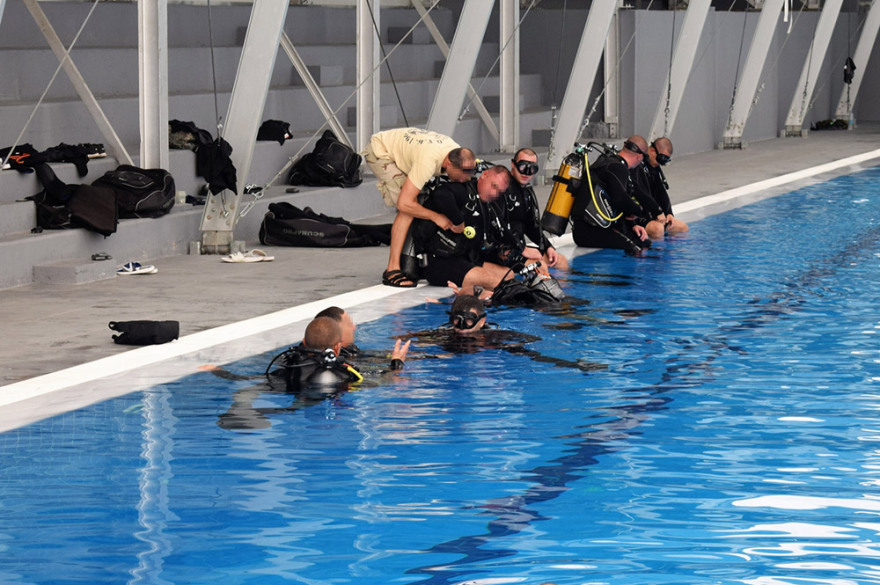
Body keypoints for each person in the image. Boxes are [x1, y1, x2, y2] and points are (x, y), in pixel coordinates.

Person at [362, 127, 476, 288]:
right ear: (449, 164)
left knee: (419, 201)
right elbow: (404, 204)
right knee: (409, 208)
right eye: (463, 174)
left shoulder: (455, 151)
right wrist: (436, 217)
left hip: (408, 149)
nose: (466, 179)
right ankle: (392, 269)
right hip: (382, 152)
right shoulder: (427, 162)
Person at [413, 164, 519, 295]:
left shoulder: (488, 205)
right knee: (494, 281)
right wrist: (458, 221)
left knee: (508, 274)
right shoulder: (463, 191)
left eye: (499, 192)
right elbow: (441, 194)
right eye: (493, 186)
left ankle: (482, 295)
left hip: (465, 258)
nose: (494, 193)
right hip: (439, 261)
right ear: (484, 175)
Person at [571, 135, 654, 255]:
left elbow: (611, 202)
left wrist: (633, 225)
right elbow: (620, 199)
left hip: (587, 229)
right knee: (637, 247)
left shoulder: (608, 162)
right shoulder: (618, 168)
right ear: (639, 156)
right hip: (590, 231)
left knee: (642, 242)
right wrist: (639, 211)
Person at [505, 148, 569, 271]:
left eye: (532, 168)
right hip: (505, 250)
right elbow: (498, 228)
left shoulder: (526, 192)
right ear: (513, 164)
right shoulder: (503, 189)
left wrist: (547, 247)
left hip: (519, 248)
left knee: (560, 261)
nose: (526, 173)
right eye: (523, 167)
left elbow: (531, 226)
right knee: (540, 267)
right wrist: (521, 249)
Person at [637, 137, 689, 238]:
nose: (660, 163)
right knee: (658, 229)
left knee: (682, 228)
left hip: (654, 213)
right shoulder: (637, 165)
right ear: (652, 151)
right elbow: (641, 193)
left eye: (664, 161)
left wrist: (669, 213)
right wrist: (658, 212)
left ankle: (669, 252)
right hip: (640, 214)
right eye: (660, 159)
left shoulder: (654, 167)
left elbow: (661, 192)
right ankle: (656, 253)